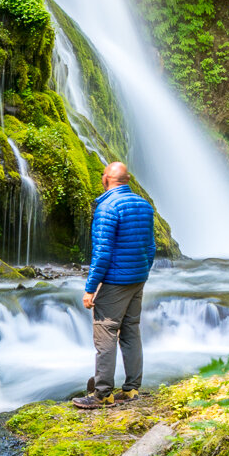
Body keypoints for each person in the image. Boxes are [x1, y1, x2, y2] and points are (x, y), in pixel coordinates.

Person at [79, 162, 156, 400]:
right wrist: (142, 271)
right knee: (131, 330)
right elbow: (151, 246)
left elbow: (102, 253)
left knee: (105, 331)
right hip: (138, 278)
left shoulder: (107, 208)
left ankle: (102, 394)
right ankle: (132, 388)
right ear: (128, 179)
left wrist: (90, 288)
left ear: (105, 180)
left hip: (115, 281)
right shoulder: (145, 205)